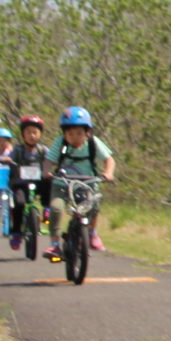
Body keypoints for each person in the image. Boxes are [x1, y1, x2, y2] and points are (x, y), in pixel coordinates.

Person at [42, 107, 116, 263]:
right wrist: (47, 171)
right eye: (70, 134)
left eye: (79, 134)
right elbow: (49, 160)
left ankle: (92, 233)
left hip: (87, 184)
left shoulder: (93, 143)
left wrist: (108, 173)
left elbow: (109, 159)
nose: (75, 138)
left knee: (93, 206)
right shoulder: (60, 143)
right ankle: (55, 244)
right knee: (56, 208)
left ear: (87, 132)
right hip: (62, 184)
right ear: (64, 133)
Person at [5, 116, 52, 250]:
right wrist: (7, 159)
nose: (31, 136)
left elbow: (51, 159)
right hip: (21, 183)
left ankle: (47, 208)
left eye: (35, 132)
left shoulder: (43, 150)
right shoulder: (18, 150)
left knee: (48, 182)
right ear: (23, 135)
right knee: (19, 204)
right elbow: (10, 157)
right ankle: (16, 233)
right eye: (28, 132)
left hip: (38, 183)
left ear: (40, 134)